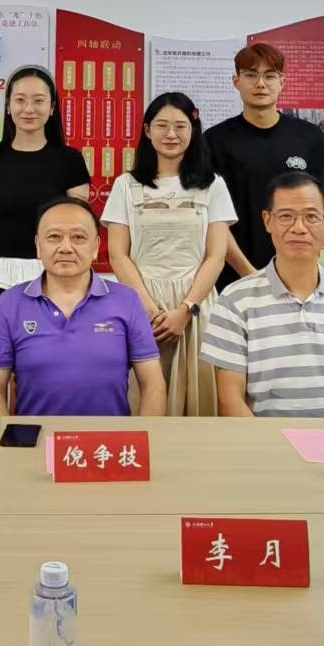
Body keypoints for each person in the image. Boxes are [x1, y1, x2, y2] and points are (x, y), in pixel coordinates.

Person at [201, 173, 324, 417]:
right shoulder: (234, 300)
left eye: (311, 217)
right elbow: (230, 401)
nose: (299, 228)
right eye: (286, 216)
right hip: (263, 439)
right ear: (267, 221)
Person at [101, 92, 236, 416]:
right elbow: (118, 255)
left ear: (193, 130)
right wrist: (149, 309)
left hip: (196, 306)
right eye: (161, 125)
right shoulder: (126, 185)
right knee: (141, 398)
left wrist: (186, 309)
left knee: (199, 401)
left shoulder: (212, 185)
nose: (171, 134)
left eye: (180, 126)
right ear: (147, 130)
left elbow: (216, 256)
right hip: (140, 304)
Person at [0, 197, 165, 417]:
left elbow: (153, 385)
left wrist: (141, 436)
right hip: (36, 436)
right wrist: (8, 436)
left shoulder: (127, 300)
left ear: (96, 247)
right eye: (54, 237)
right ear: (38, 245)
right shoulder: (11, 303)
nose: (65, 248)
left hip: (108, 438)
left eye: (78, 237)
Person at [0, 66, 90, 372]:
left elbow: (78, 233)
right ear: (8, 106)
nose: (29, 108)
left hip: (52, 284)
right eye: (20, 100)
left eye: (39, 100)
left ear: (52, 107)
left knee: (51, 376)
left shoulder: (70, 161)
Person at [204, 43, 324, 290]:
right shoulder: (214, 141)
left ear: (282, 81)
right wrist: (250, 276)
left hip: (300, 280)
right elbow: (213, 220)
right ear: (236, 81)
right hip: (233, 281)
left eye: (269, 76)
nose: (260, 84)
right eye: (251, 75)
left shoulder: (310, 138)